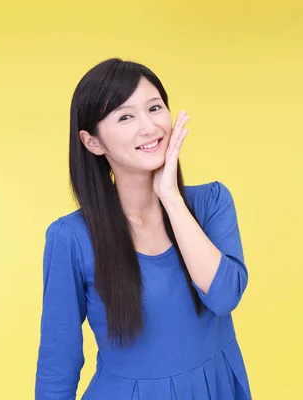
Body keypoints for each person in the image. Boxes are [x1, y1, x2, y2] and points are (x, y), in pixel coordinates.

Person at [34, 58, 251, 400]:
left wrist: (171, 199)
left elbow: (225, 297)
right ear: (93, 142)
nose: (149, 127)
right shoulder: (71, 238)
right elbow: (58, 362)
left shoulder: (211, 203)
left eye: (154, 108)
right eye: (125, 116)